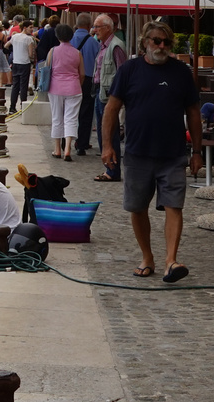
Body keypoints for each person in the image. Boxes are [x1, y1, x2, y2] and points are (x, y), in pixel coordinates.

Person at [101, 21, 201, 283]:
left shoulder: (181, 72)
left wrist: (198, 151)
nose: (162, 46)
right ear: (145, 42)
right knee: (137, 208)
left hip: (173, 153)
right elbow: (111, 109)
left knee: (174, 205)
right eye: (156, 41)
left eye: (167, 42)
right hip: (138, 151)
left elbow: (193, 113)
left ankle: (171, 261)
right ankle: (147, 256)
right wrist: (107, 145)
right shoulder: (129, 70)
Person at [92, 14, 130, 182]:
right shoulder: (104, 45)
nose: (94, 30)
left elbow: (122, 72)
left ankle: (112, 171)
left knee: (109, 133)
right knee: (103, 133)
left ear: (108, 28)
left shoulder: (116, 46)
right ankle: (109, 168)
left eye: (97, 27)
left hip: (109, 97)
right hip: (101, 93)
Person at [47, 30, 83, 160]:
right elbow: (82, 73)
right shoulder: (77, 53)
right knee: (71, 119)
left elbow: (47, 68)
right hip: (74, 88)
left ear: (58, 36)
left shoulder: (53, 51)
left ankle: (57, 149)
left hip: (56, 87)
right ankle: (68, 149)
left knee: (57, 117)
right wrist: (77, 83)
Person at [76, 18, 101, 156]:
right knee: (86, 112)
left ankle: (64, 142)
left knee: (69, 113)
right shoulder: (94, 43)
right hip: (89, 80)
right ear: (88, 26)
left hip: (71, 80)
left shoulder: (69, 41)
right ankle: (82, 143)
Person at [9, 19, 36, 105]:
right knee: (23, 86)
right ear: (24, 28)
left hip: (16, 62)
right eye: (30, 27)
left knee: (15, 86)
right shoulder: (29, 39)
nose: (32, 29)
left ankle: (12, 106)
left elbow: (6, 45)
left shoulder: (15, 36)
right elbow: (31, 54)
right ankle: (22, 104)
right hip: (24, 63)